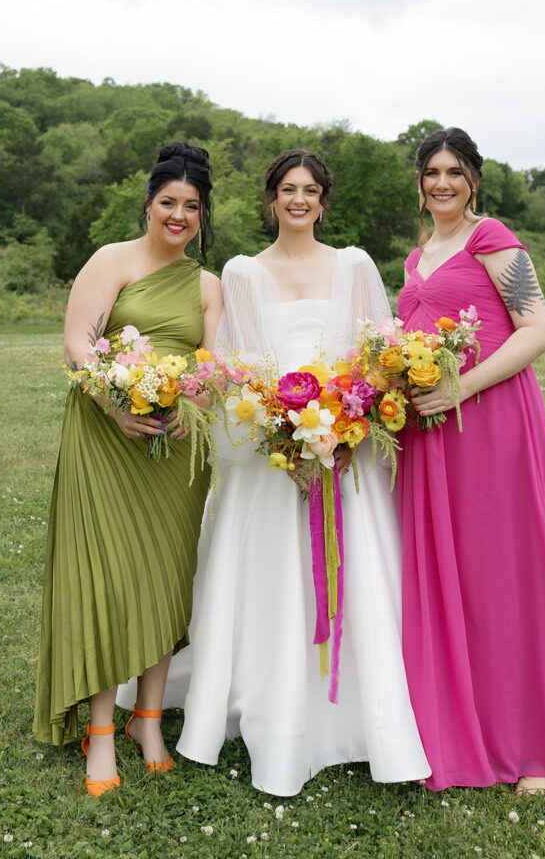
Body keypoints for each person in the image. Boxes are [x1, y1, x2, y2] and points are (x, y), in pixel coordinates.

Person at [171, 148, 430, 796]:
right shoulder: (241, 273)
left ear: (323, 200)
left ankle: (360, 714)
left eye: (309, 190)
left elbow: (378, 354)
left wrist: (342, 428)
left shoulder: (354, 265)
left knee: (357, 573)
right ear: (269, 199)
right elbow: (236, 368)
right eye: (287, 189)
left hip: (347, 446)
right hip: (269, 453)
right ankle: (270, 698)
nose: (298, 200)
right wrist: (279, 434)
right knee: (270, 572)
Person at [397, 127, 545, 795]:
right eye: (431, 172)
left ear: (474, 180)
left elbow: (537, 328)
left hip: (490, 424)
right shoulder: (416, 255)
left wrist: (462, 384)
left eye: (454, 172)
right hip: (430, 436)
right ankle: (448, 732)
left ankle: (534, 750)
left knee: (504, 576)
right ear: (419, 182)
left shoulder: (493, 238)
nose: (442, 183)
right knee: (443, 579)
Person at [33, 142, 223, 796]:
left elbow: (210, 365)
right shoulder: (110, 260)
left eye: (191, 206)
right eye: (168, 202)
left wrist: (190, 397)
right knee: (104, 577)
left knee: (164, 578)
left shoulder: (208, 286)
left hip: (171, 449)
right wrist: (115, 404)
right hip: (102, 433)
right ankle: (100, 732)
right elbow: (77, 342)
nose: (178, 215)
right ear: (148, 204)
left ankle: (147, 719)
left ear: (202, 216)